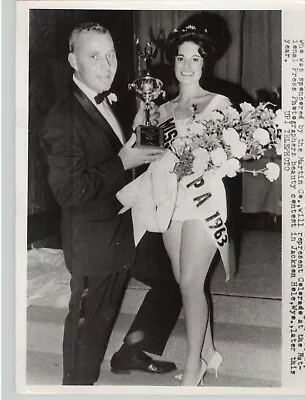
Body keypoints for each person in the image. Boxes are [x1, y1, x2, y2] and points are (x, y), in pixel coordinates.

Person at [40, 22, 181, 385]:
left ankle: (132, 351)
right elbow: (70, 192)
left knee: (175, 281)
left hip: (128, 223)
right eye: (94, 57)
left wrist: (138, 137)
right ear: (73, 61)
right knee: (89, 330)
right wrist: (123, 162)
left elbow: (116, 150)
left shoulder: (108, 97)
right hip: (94, 240)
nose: (107, 66)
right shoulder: (62, 118)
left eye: (111, 55)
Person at [117, 24, 235, 386]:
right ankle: (209, 352)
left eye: (195, 58)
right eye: (181, 57)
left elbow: (225, 157)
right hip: (170, 201)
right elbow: (145, 155)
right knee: (187, 285)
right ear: (174, 62)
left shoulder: (219, 103)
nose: (187, 65)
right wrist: (141, 121)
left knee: (188, 283)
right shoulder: (161, 107)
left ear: (205, 62)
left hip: (202, 202)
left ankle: (193, 368)